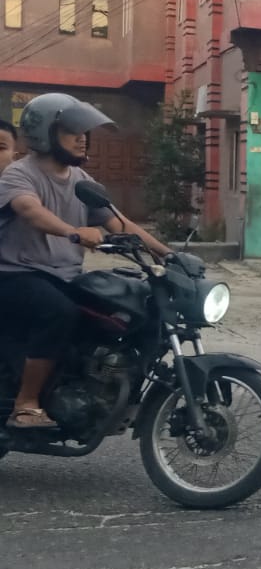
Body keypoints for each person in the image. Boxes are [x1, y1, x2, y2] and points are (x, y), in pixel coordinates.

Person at [0, 94, 171, 431]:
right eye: (71, 131)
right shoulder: (19, 175)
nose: (82, 138)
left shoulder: (82, 182)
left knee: (133, 307)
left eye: (85, 132)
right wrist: (73, 232)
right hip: (14, 274)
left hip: (62, 277)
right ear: (44, 134)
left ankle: (107, 391)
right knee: (58, 311)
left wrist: (168, 254)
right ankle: (26, 404)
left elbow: (120, 223)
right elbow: (30, 211)